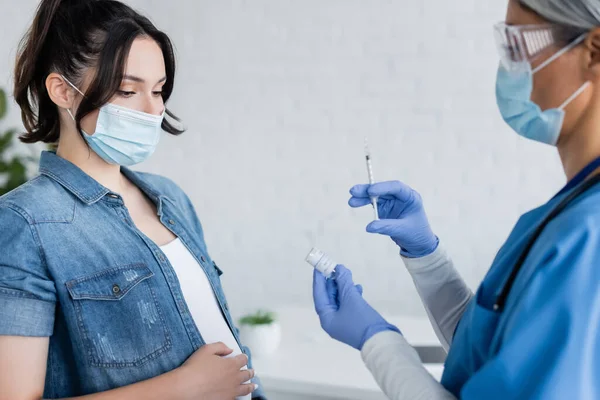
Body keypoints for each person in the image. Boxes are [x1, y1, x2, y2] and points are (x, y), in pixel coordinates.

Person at [313, 0, 600, 399]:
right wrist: (426, 257)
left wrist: (376, 341)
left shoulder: (587, 237)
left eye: (517, 44)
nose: (508, 69)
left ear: (594, 49)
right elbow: (489, 352)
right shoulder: (567, 210)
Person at [0, 0, 265, 399]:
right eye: (128, 90)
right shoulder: (24, 222)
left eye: (158, 90)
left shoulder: (171, 200)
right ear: (61, 91)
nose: (153, 109)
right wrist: (186, 387)